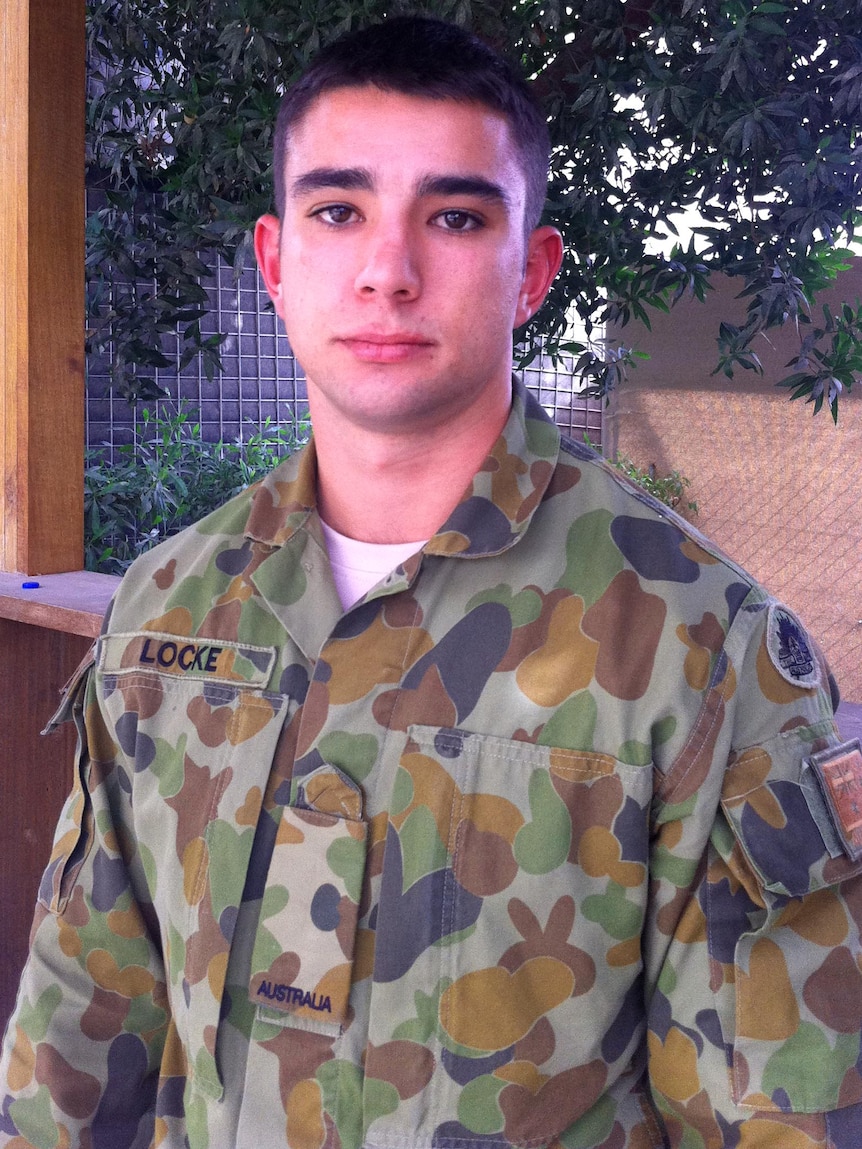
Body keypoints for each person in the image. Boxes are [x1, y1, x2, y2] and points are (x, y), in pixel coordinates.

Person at [2, 14, 861, 1149]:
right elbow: (82, 1020)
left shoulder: (699, 647)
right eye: (337, 211)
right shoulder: (169, 605)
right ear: (274, 259)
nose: (387, 272)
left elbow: (779, 1115)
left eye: (454, 217)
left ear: (531, 274)